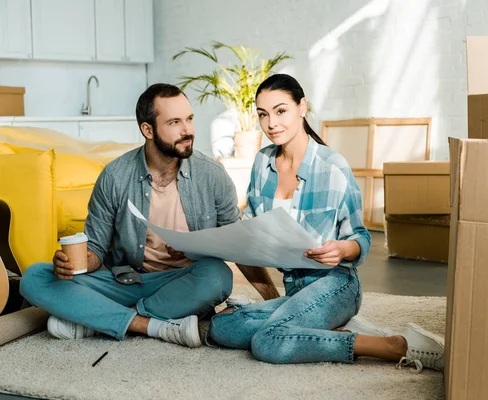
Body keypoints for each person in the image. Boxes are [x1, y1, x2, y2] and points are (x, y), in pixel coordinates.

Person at [208, 74, 445, 372]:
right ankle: (323, 330)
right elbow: (253, 229)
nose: (271, 123)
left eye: (281, 111)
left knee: (268, 341)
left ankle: (391, 345)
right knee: (223, 326)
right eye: (263, 115)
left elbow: (361, 238)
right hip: (295, 290)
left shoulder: (332, 166)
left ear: (302, 107)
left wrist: (342, 250)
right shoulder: (262, 164)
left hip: (335, 285)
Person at [20, 83, 256, 348]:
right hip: (126, 280)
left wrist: (196, 250)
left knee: (218, 276)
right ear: (148, 130)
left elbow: (236, 243)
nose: (187, 130)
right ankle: (149, 324)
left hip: (183, 280)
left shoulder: (212, 175)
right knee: (36, 276)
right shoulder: (115, 176)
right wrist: (73, 263)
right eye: (175, 122)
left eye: (189, 119)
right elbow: (96, 248)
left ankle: (98, 318)